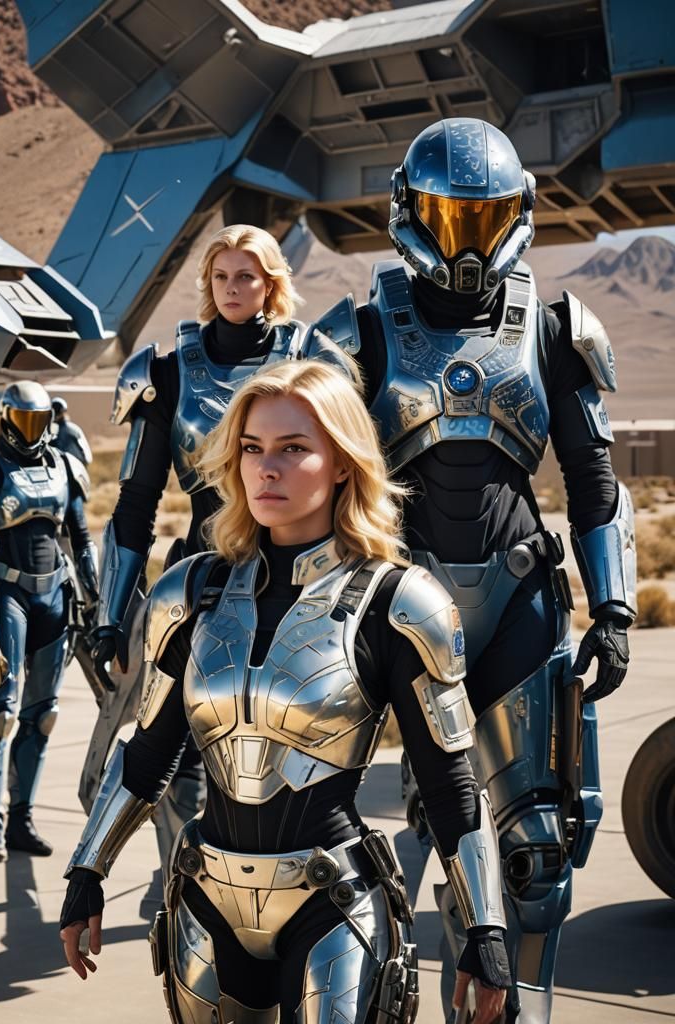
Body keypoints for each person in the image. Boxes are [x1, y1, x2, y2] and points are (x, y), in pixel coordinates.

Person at [60, 360, 511, 1024]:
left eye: (293, 448)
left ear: (341, 462)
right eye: (252, 448)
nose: (266, 468)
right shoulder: (187, 593)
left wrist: (486, 929)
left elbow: (449, 782)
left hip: (330, 902)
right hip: (205, 899)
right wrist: (87, 872)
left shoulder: (399, 602)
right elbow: (148, 755)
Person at [312, 117, 636, 1021]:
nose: (467, 243)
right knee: (425, 835)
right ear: (411, 214)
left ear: (518, 217)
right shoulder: (362, 330)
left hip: (521, 599)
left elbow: (595, 479)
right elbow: (307, 475)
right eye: (451, 220)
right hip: (401, 611)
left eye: (484, 220)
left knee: (536, 856)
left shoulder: (558, 326)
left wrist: (613, 606)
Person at [86, 224, 355, 894]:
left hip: (297, 586)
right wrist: (110, 613)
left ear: (271, 283)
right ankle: (184, 890)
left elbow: (353, 468)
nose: (234, 289)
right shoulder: (168, 370)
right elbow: (135, 504)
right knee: (169, 762)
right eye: (222, 277)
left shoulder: (313, 363)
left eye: (247, 276)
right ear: (208, 286)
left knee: (283, 752)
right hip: (199, 585)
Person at [0, 381, 99, 862]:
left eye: (40, 421)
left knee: (43, 717)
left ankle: (22, 821)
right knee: (1, 716)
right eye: (24, 420)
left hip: (56, 594)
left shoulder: (65, 466)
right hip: (5, 595)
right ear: (7, 417)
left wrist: (97, 605)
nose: (33, 431)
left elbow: (81, 537)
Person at [50, 396, 93, 467]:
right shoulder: (74, 428)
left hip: (75, 469)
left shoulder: (72, 429)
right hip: (64, 469)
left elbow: (87, 456)